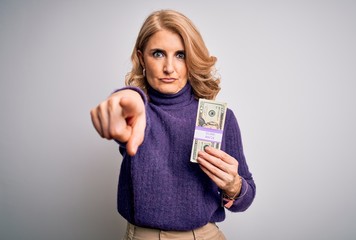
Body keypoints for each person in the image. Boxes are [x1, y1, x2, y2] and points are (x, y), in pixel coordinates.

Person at [90, 9, 256, 240]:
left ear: (192, 59)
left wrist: (234, 186)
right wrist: (125, 100)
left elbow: (245, 198)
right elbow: (126, 108)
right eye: (158, 54)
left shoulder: (222, 118)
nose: (169, 67)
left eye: (180, 55)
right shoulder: (138, 115)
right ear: (141, 58)